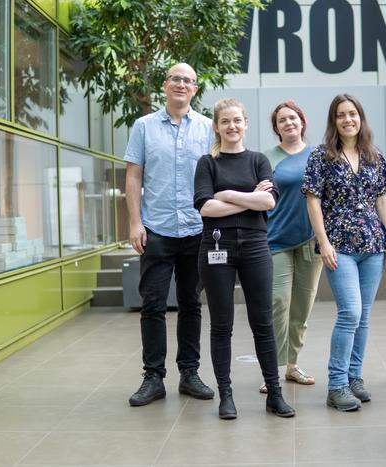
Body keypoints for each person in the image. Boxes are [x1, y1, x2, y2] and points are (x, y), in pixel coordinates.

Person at [194, 98, 295, 419]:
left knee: (263, 323)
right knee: (221, 325)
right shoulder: (207, 163)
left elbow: (269, 202)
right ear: (217, 126)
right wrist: (250, 199)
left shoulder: (258, 160)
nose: (232, 126)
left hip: (255, 247)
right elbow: (206, 208)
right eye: (225, 121)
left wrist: (227, 195)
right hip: (215, 247)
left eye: (237, 120)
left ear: (246, 123)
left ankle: (274, 394)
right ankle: (226, 395)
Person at [124, 63, 215, 406]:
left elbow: (219, 175)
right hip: (156, 229)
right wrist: (135, 223)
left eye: (188, 80)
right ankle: (153, 377)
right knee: (153, 304)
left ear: (195, 89)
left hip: (196, 229)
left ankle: (189, 374)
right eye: (175, 79)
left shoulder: (208, 128)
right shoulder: (144, 127)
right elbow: (133, 176)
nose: (181, 84)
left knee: (192, 304)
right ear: (165, 85)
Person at [302, 94, 386, 412]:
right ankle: (337, 384)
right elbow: (312, 200)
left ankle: (355, 377)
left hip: (372, 244)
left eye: (352, 114)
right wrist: (324, 242)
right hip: (338, 245)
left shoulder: (373, 155)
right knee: (350, 313)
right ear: (334, 121)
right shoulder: (322, 156)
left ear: (361, 118)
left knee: (364, 316)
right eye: (341, 115)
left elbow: (382, 199)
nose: (348, 119)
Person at [258, 101, 323, 394]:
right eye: (282, 120)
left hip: (312, 241)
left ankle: (292, 365)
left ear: (302, 121)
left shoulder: (320, 155)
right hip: (276, 241)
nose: (288, 123)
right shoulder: (266, 159)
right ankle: (271, 369)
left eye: (293, 118)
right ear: (276, 128)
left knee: (302, 306)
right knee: (278, 302)